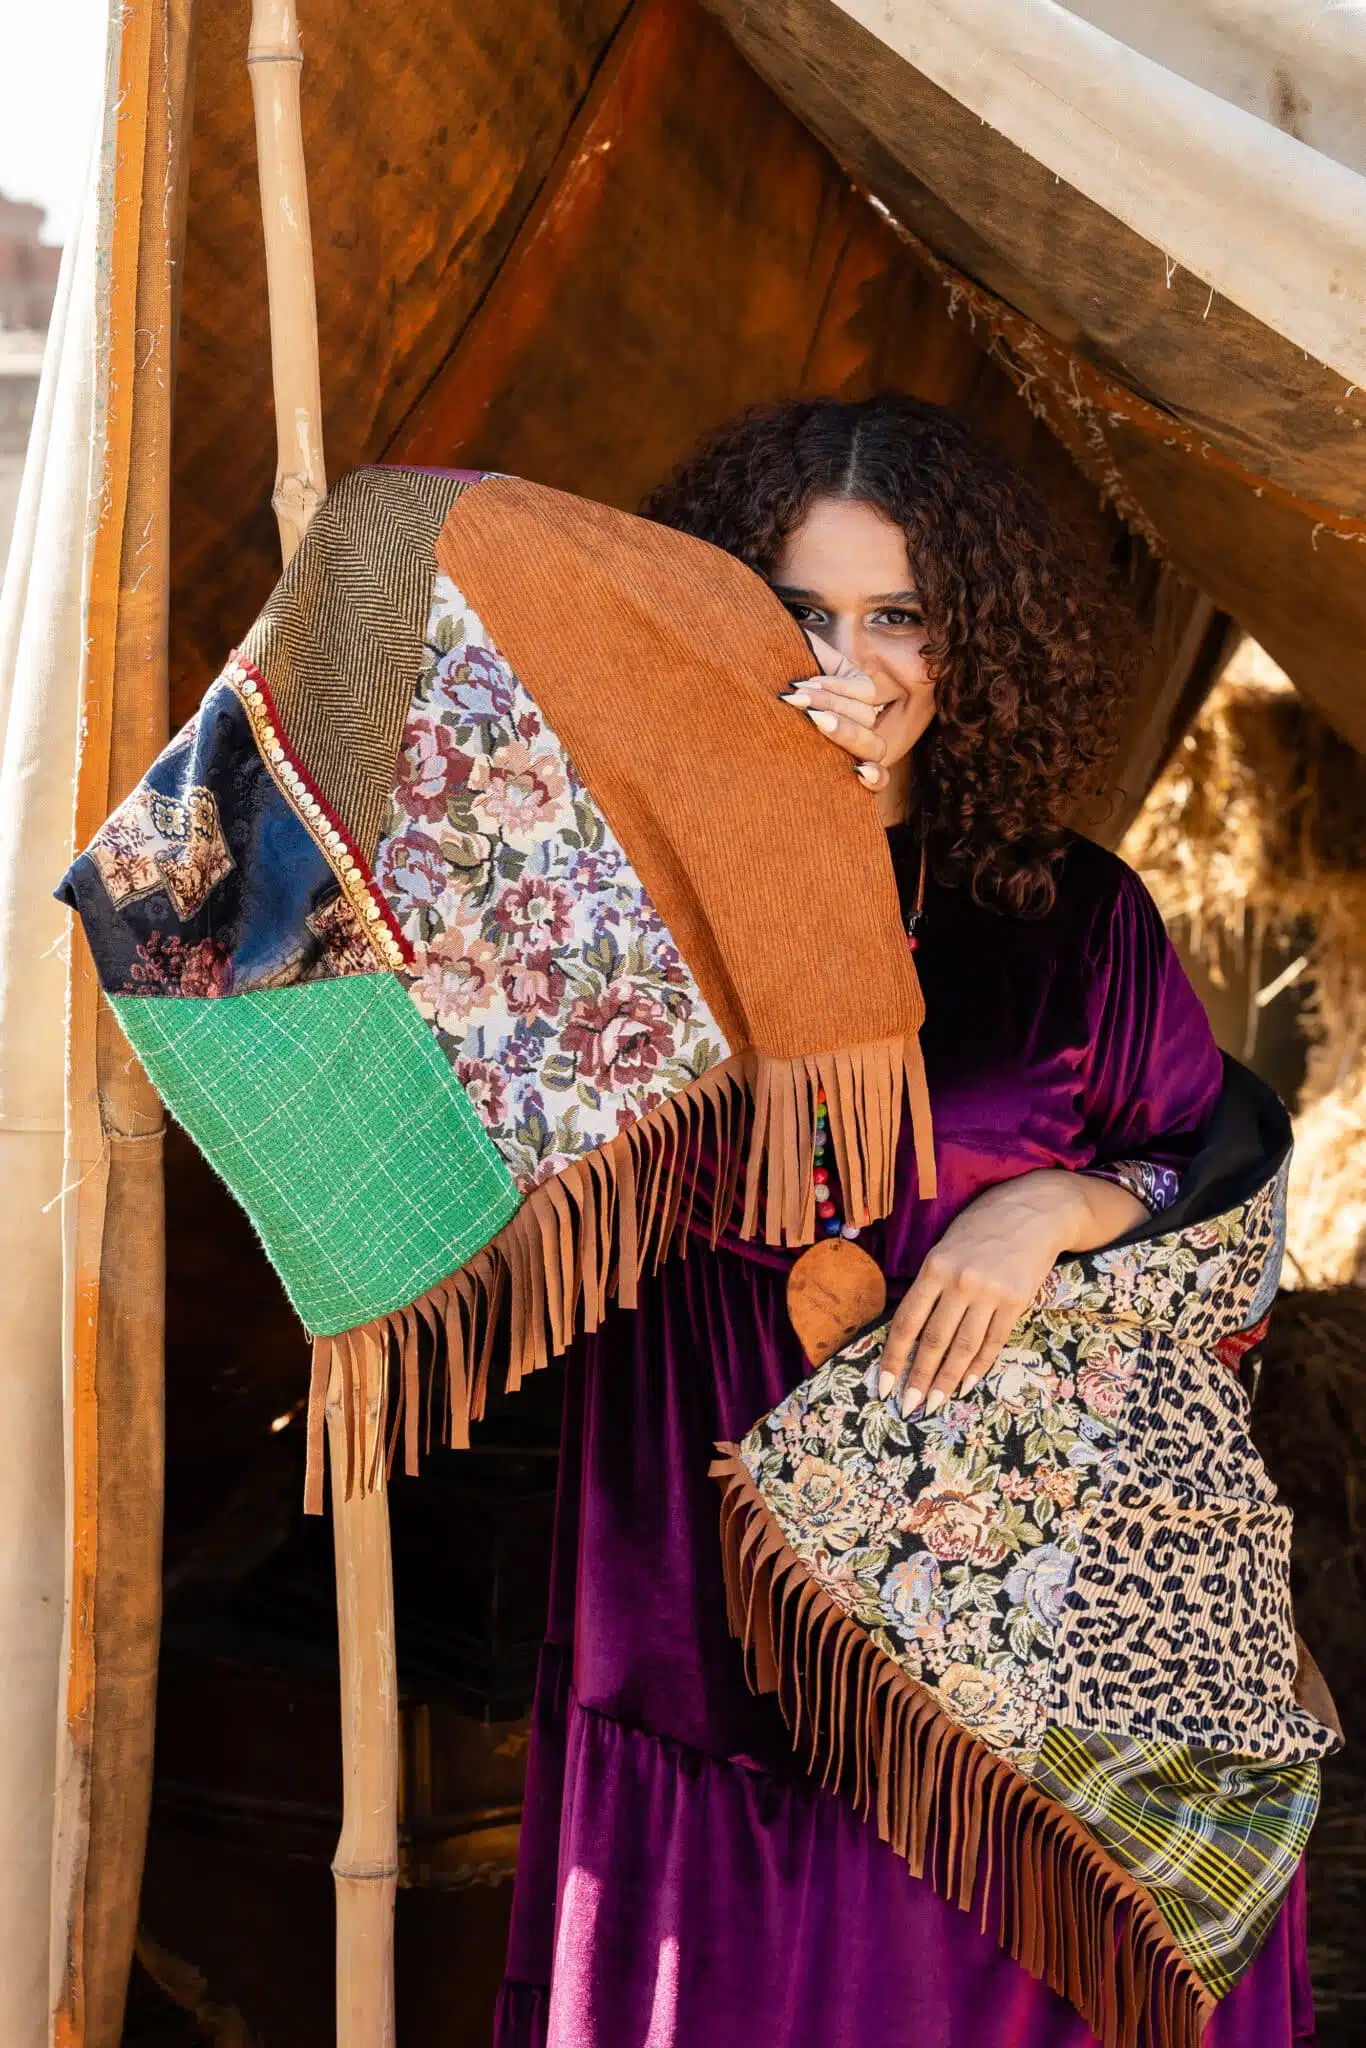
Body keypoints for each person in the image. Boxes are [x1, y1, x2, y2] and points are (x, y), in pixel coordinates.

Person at [491, 396, 1312, 2047]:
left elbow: (1213, 1190)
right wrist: (774, 834)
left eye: (898, 617)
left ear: (971, 644)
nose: (846, 660)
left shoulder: (1070, 915)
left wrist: (1057, 1208)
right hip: (706, 1540)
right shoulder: (620, 893)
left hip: (1014, 1570)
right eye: (798, 611)